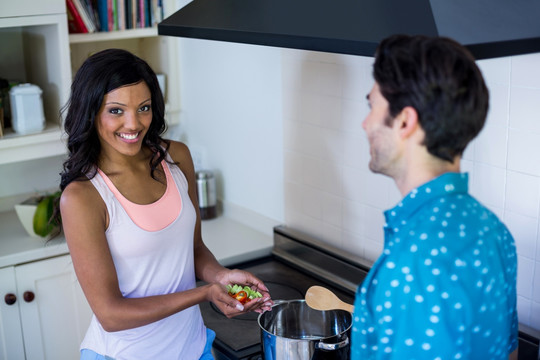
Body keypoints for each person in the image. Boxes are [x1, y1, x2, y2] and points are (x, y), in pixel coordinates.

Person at [56, 48, 273, 360]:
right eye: (116, 111)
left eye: (143, 108)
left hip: (195, 348)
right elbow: (111, 314)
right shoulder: (83, 197)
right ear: (91, 112)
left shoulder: (176, 158)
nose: (133, 124)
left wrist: (220, 276)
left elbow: (194, 249)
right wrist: (205, 293)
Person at [351, 35, 518, 359]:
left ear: (404, 121)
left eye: (372, 106)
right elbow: (510, 353)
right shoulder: (493, 231)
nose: (365, 123)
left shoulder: (414, 263)